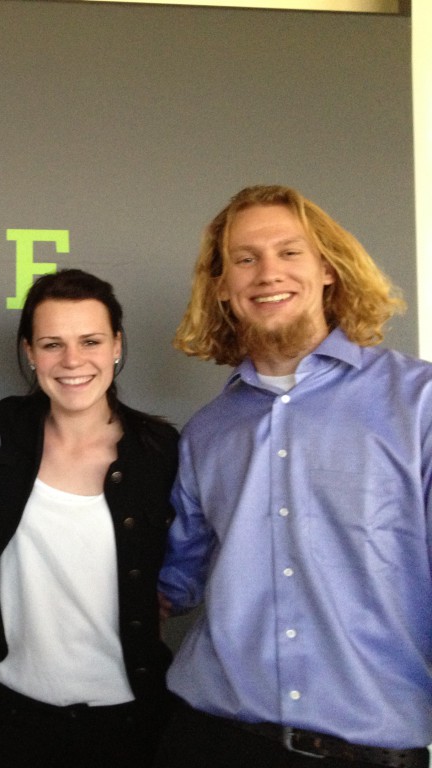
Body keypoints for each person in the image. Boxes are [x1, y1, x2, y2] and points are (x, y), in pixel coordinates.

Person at [155, 184, 432, 768]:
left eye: (289, 252)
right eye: (244, 259)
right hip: (213, 739)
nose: (266, 273)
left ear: (327, 267)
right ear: (223, 285)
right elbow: (175, 579)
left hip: (368, 751)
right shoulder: (208, 431)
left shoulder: (419, 404)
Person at [0, 269, 178, 768]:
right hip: (2, 711)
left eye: (90, 341)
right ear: (29, 352)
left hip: (125, 719)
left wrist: (174, 588)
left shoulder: (161, 452)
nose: (72, 361)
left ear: (116, 346)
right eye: (51, 344)